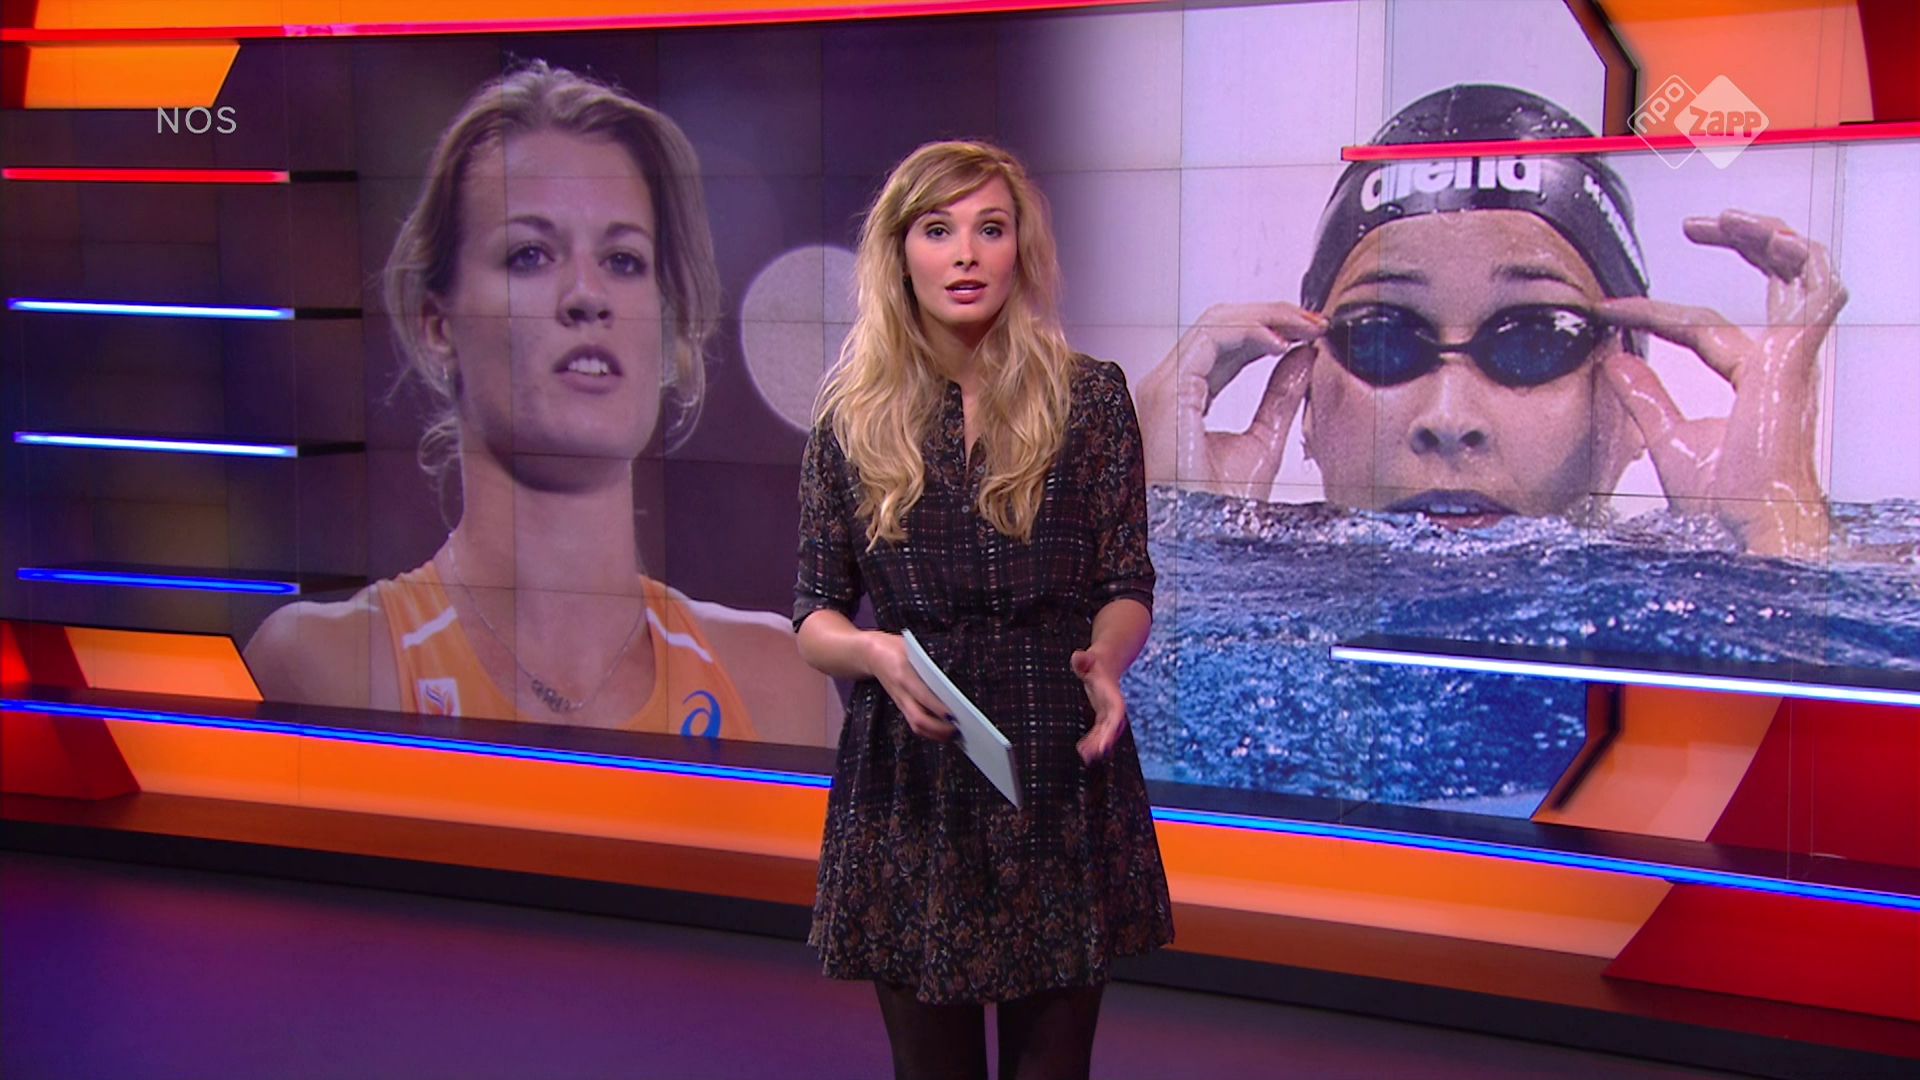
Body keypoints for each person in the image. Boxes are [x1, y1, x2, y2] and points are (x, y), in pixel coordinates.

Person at [247, 61, 833, 744]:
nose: (588, 296)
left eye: (623, 260)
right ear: (438, 323)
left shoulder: (782, 690)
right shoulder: (330, 671)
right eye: (530, 254)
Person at [793, 140, 1174, 1079]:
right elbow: (814, 613)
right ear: (900, 253)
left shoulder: (1090, 399)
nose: (965, 253)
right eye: (938, 230)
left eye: (989, 229)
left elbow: (1126, 585)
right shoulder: (849, 419)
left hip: (1055, 759)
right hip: (913, 770)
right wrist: (877, 655)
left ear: (1019, 251)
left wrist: (1107, 661)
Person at [1135, 83, 1846, 558]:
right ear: (1308, 401)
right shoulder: (1225, 574)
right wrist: (1171, 544)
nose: (1449, 419)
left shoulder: (1717, 583)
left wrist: (1774, 535)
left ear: (1629, 407)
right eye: (1382, 339)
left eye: (1534, 340)